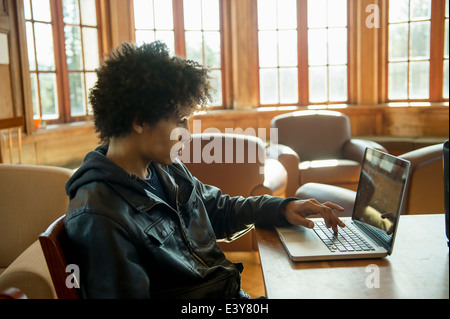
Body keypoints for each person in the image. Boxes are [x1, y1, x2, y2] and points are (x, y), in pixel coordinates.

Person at [64, 41, 345, 299]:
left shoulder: (166, 169)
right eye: (180, 120)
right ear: (138, 121)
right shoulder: (99, 215)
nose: (187, 133)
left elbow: (217, 210)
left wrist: (283, 208)